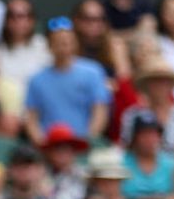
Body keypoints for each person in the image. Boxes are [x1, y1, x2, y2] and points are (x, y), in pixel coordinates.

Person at [24, 16, 111, 144]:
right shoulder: (37, 80)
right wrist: (43, 144)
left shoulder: (93, 72)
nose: (64, 46)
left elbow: (100, 111)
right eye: (58, 42)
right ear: (49, 46)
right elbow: (31, 118)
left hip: (84, 145)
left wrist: (87, 141)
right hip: (50, 147)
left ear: (76, 43)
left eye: (68, 41)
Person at [120, 59, 174, 150]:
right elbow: (126, 148)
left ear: (171, 85)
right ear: (146, 85)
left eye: (164, 81)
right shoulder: (133, 115)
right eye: (154, 81)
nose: (159, 86)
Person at [0, 0, 51, 102]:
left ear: (32, 20)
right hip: (7, 107)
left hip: (38, 106)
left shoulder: (46, 47)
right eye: (11, 16)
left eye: (22, 16)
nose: (17, 21)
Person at [122, 111, 174, 199]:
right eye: (144, 134)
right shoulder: (121, 163)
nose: (149, 139)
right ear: (134, 137)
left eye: (153, 134)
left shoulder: (171, 165)